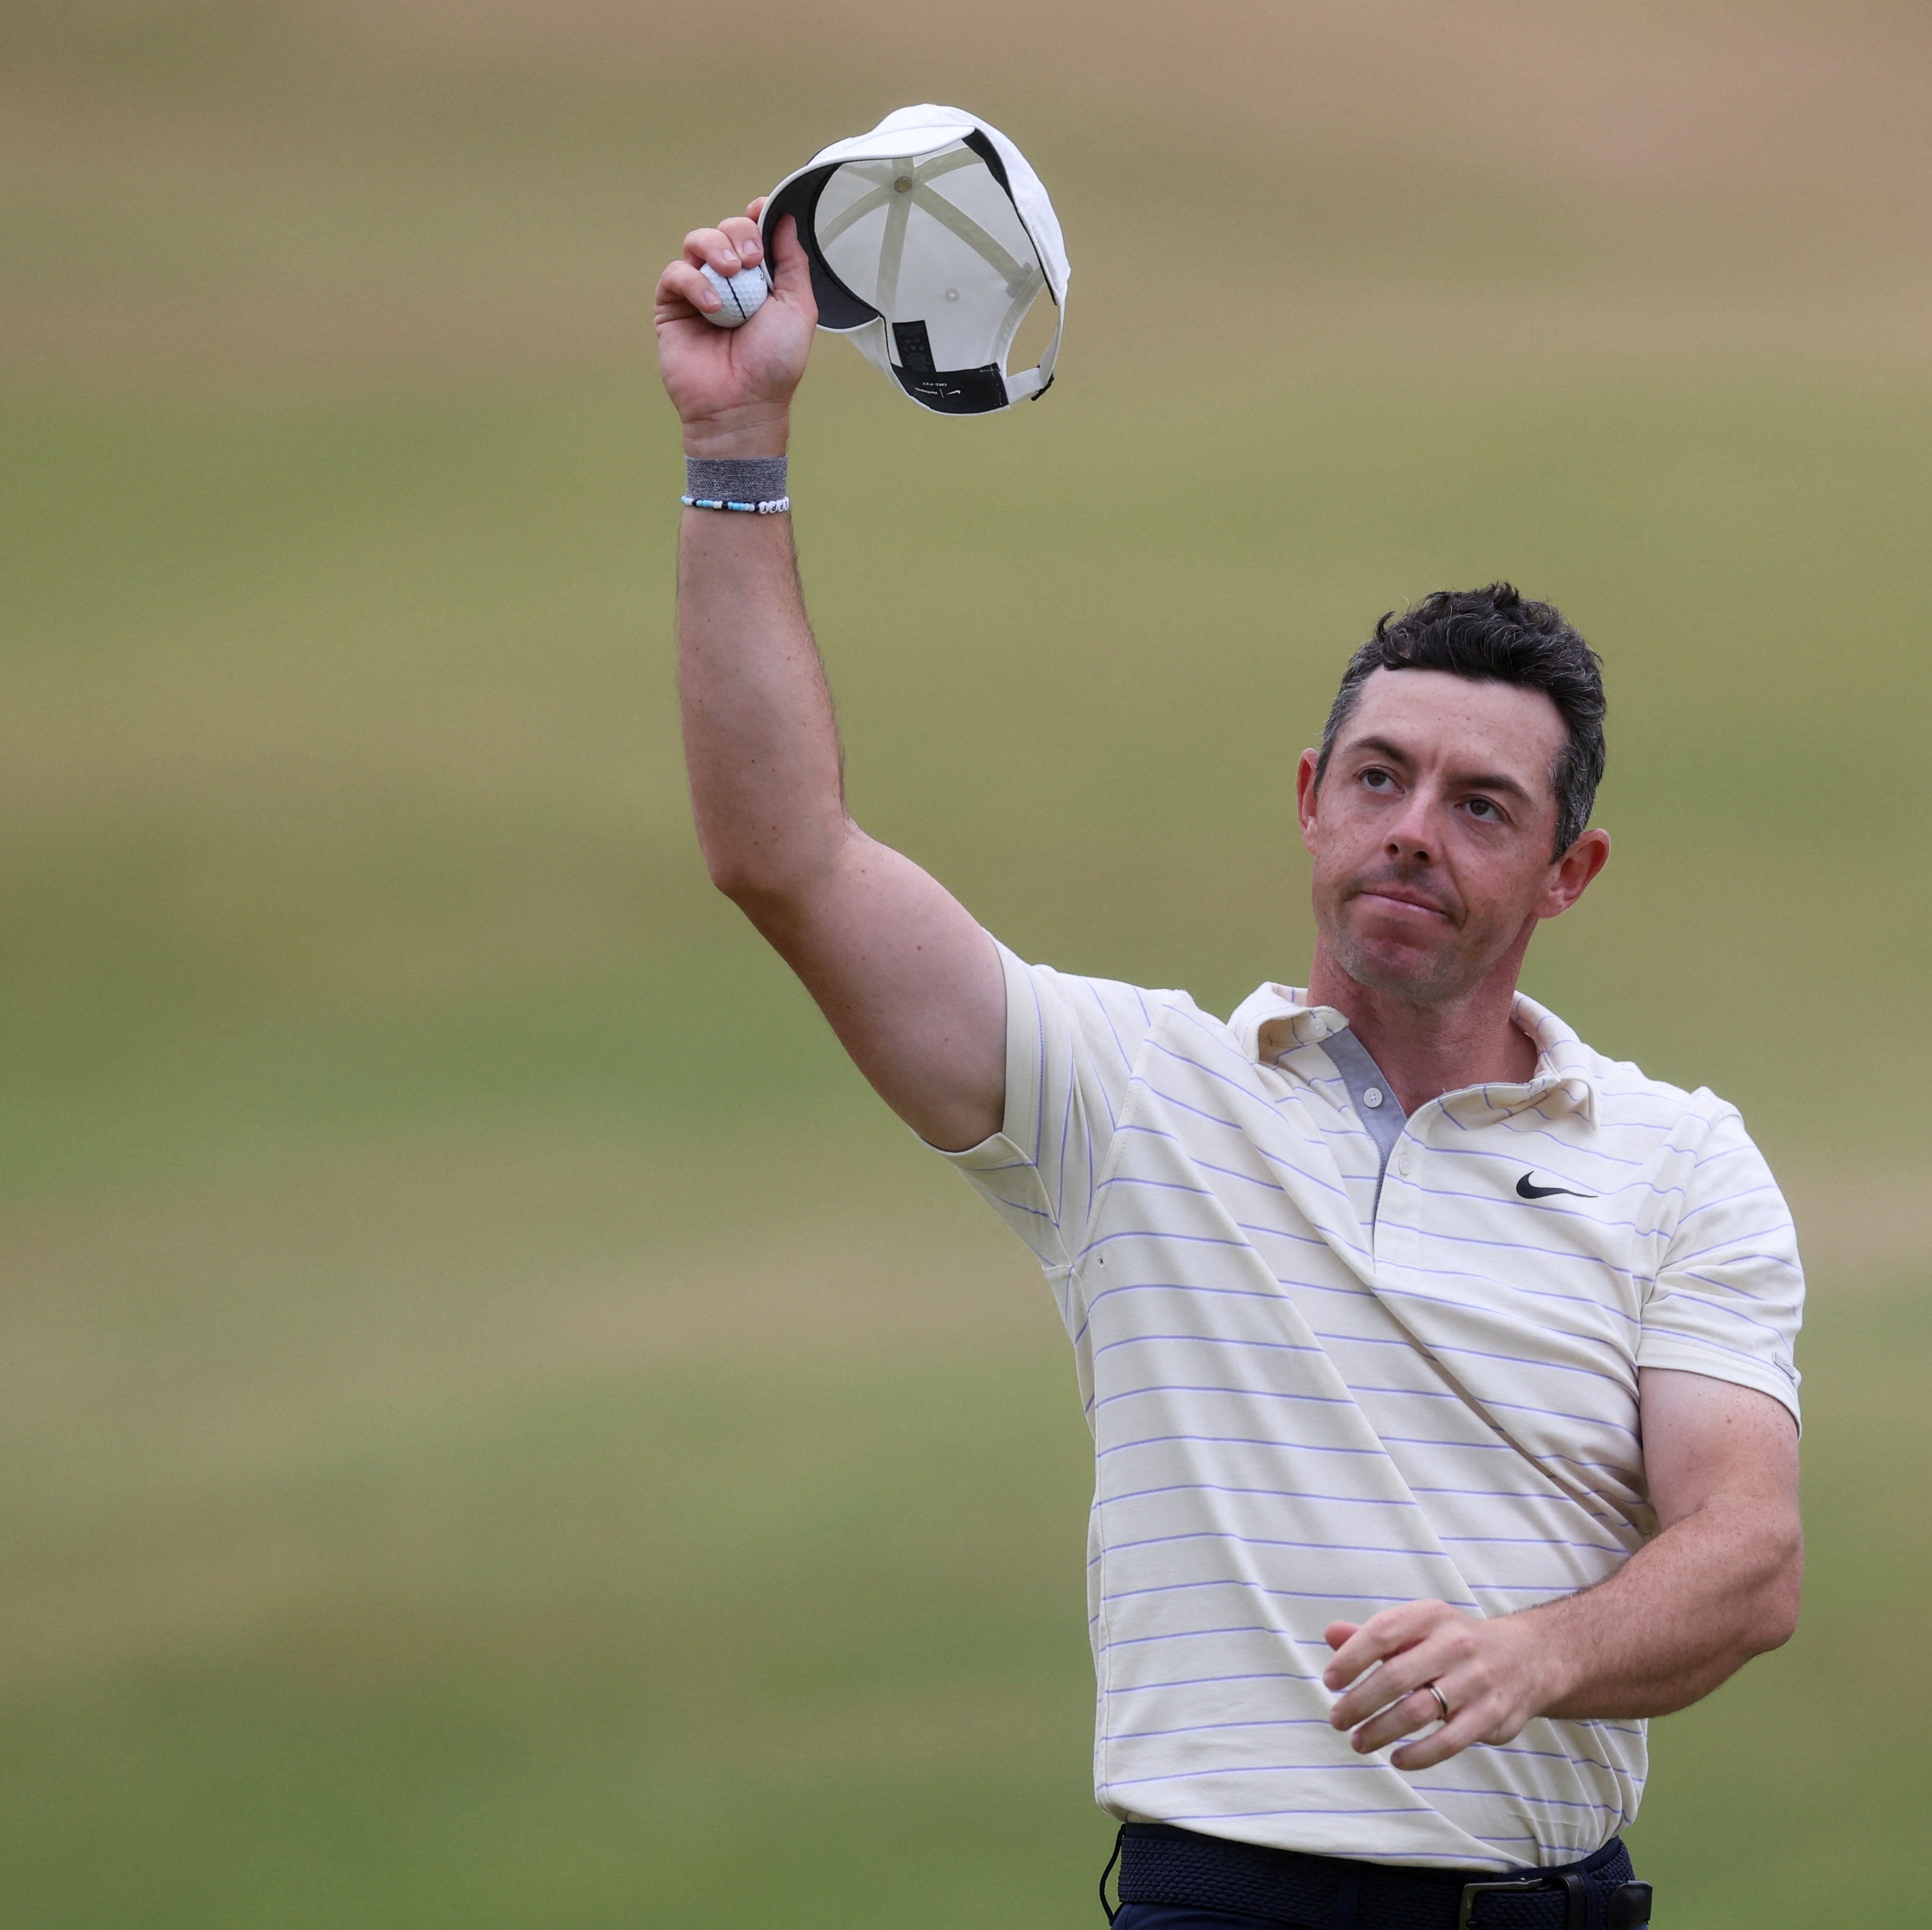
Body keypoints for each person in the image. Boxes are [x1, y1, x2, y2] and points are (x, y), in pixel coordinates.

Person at [654, 204, 1803, 1930]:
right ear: (1308, 798)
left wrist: (1537, 1656)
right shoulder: (1125, 1094)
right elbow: (785, 858)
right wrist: (738, 446)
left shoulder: (1676, 1159)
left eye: (1481, 806)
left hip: (1555, 1902)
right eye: (1379, 778)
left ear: (1571, 876)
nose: (1413, 832)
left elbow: (1748, 1559)